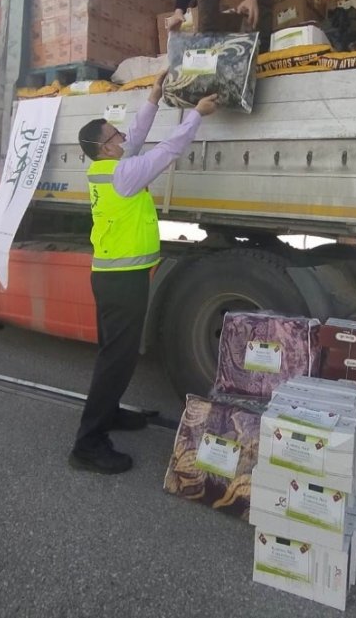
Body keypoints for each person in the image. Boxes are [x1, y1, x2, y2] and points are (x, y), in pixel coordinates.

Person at [70, 71, 218, 474]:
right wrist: (196, 116)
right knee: (116, 359)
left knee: (112, 354)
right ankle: (88, 443)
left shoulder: (108, 167)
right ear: (104, 148)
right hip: (122, 281)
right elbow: (167, 151)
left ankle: (110, 413)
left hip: (111, 277)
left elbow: (136, 137)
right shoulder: (124, 174)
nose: (122, 138)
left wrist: (153, 97)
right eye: (114, 136)